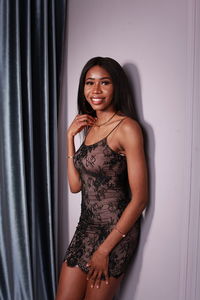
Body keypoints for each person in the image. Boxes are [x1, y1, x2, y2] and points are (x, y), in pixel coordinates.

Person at [56, 57, 148, 300]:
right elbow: (75, 187)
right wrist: (69, 139)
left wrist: (104, 250)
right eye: (89, 83)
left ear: (116, 87)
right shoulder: (91, 125)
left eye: (104, 83)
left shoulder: (127, 128)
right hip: (86, 228)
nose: (95, 90)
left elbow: (140, 200)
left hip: (117, 232)